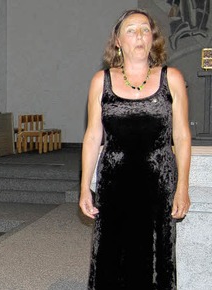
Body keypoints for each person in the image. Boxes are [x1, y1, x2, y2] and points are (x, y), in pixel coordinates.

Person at [79, 9, 191, 289]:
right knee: (111, 256)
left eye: (145, 29)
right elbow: (93, 136)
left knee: (154, 260)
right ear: (118, 41)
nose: (139, 35)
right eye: (131, 30)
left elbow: (182, 136)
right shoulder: (100, 81)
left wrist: (183, 187)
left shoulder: (172, 78)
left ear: (153, 37)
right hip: (114, 184)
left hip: (158, 184)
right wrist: (84, 187)